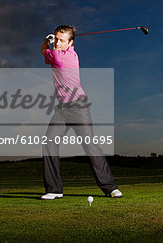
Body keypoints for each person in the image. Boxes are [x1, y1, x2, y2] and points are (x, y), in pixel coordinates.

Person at [40, 25, 122, 200]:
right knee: (49, 143)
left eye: (62, 40)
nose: (58, 43)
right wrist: (57, 37)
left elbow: (43, 51)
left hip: (78, 107)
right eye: (57, 39)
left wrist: (47, 41)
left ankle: (110, 187)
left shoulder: (60, 57)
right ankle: (54, 189)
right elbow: (52, 48)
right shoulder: (71, 52)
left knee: (90, 145)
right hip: (62, 109)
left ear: (70, 43)